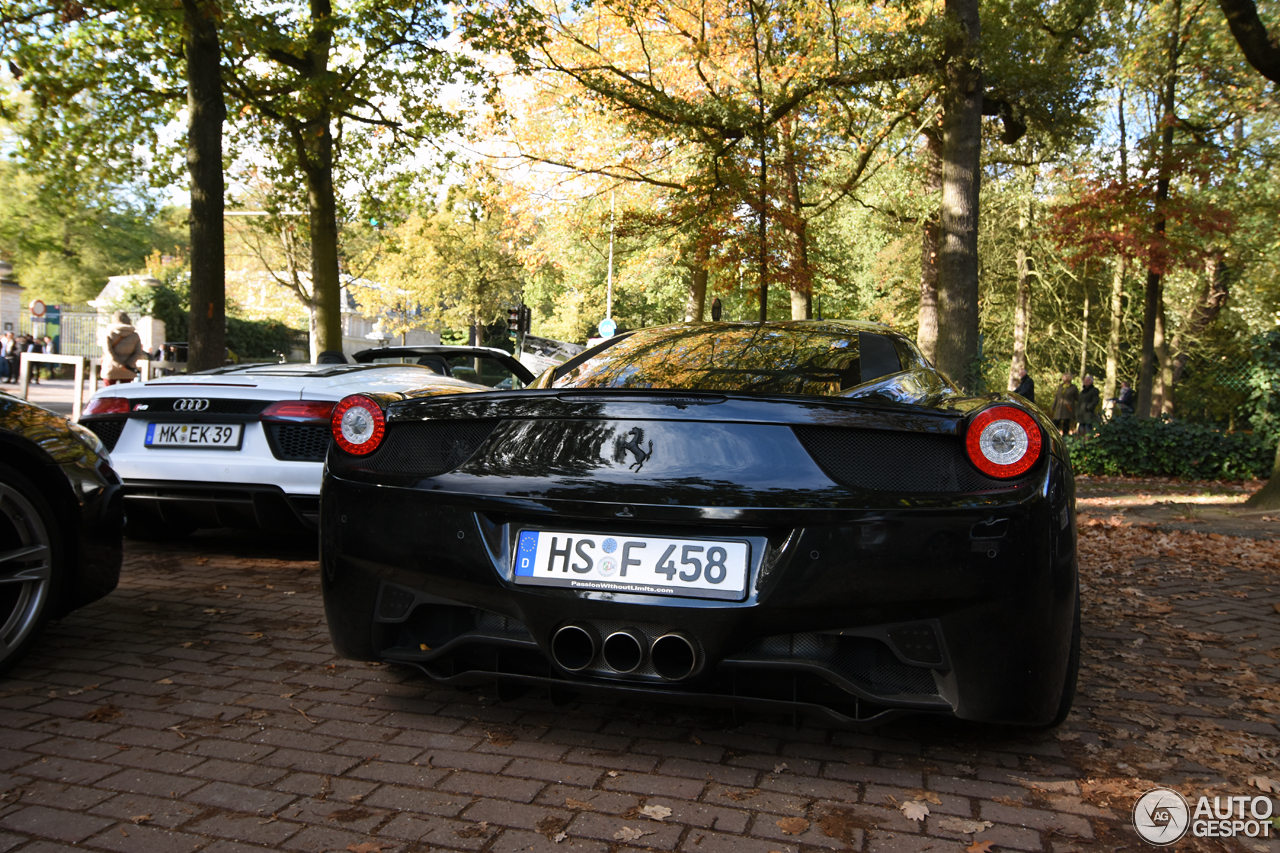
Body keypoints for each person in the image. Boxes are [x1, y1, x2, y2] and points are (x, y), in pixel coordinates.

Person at [100, 311, 150, 386]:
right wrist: (128, 364)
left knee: (108, 393)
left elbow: (108, 351)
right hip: (128, 369)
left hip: (111, 367)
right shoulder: (135, 335)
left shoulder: (109, 334)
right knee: (124, 392)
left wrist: (119, 364)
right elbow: (138, 352)